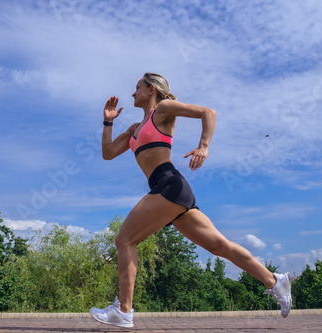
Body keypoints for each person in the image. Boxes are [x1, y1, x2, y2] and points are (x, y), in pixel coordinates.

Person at [89, 72, 292, 328]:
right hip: (172, 191)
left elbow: (209, 113)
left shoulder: (162, 110)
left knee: (125, 239)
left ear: (152, 89)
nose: (132, 93)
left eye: (137, 87)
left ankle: (124, 310)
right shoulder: (133, 130)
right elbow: (108, 153)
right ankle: (275, 281)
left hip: (169, 185)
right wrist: (107, 123)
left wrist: (203, 146)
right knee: (219, 246)